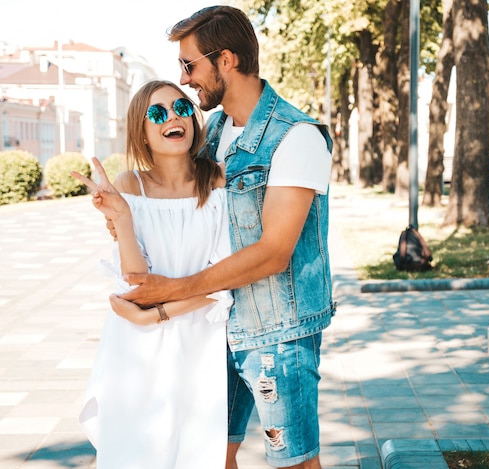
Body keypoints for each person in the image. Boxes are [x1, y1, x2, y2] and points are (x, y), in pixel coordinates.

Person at [107, 6, 334, 469]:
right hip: (214, 332)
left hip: (276, 336)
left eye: (189, 65)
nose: (186, 80)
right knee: (209, 455)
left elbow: (273, 253)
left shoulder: (297, 138)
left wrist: (171, 294)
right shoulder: (211, 136)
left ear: (225, 60)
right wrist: (123, 213)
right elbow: (171, 204)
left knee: (293, 463)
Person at [73, 80, 233, 468]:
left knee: (196, 452)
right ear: (141, 132)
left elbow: (224, 281)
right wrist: (122, 217)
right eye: (157, 113)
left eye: (180, 108)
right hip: (136, 348)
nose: (173, 118)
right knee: (134, 453)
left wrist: (159, 312)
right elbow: (134, 281)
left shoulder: (217, 180)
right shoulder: (131, 185)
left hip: (199, 343)